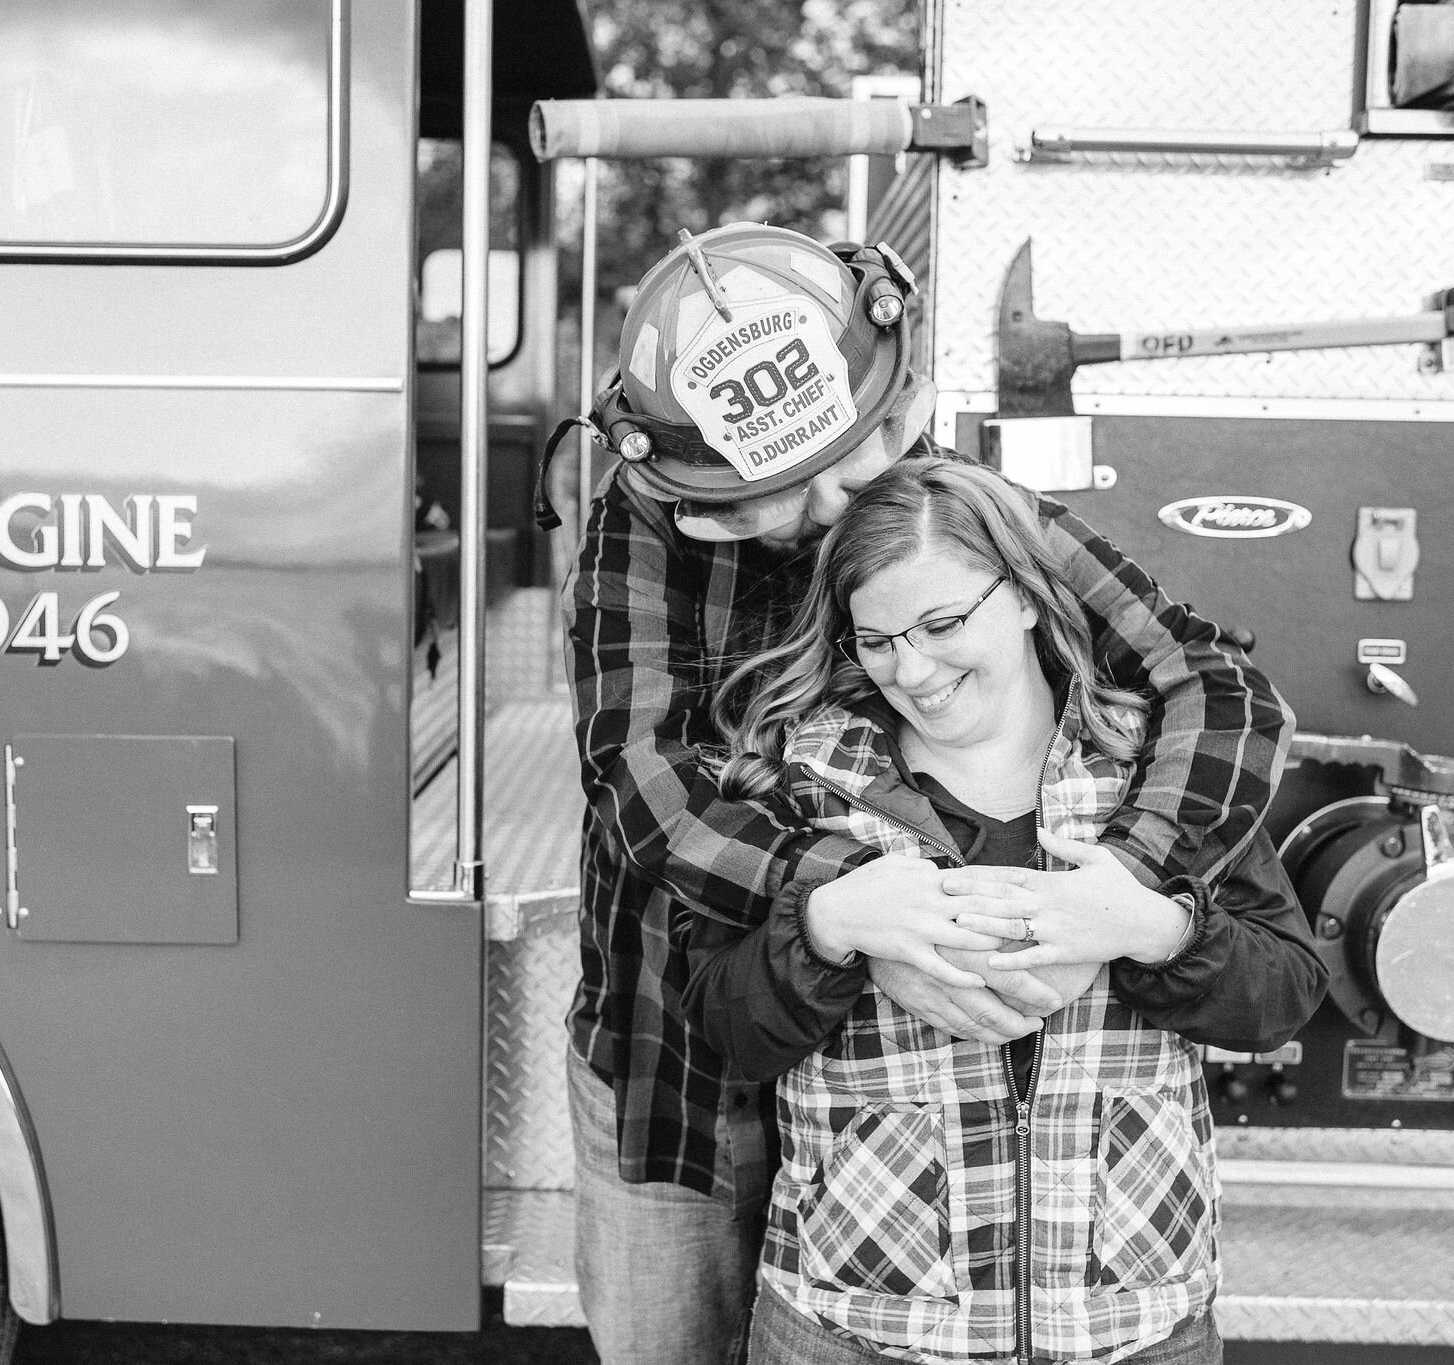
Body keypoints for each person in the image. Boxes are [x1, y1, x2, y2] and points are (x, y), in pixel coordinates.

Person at [558, 222, 1295, 1365]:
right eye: (787, 495)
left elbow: (1209, 678)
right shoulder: (639, 528)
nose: (840, 510)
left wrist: (1130, 881)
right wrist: (854, 907)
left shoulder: (945, 503)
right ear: (696, 490)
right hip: (682, 1047)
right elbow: (643, 788)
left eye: (858, 464)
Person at [686, 457, 1326, 1364]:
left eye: (943, 623)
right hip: (858, 1329)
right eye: (876, 640)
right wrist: (828, 927)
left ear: (1027, 595)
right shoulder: (801, 780)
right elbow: (722, 1027)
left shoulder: (1154, 773)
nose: (913, 668)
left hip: (1133, 1327)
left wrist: (1150, 927)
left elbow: (1286, 991)